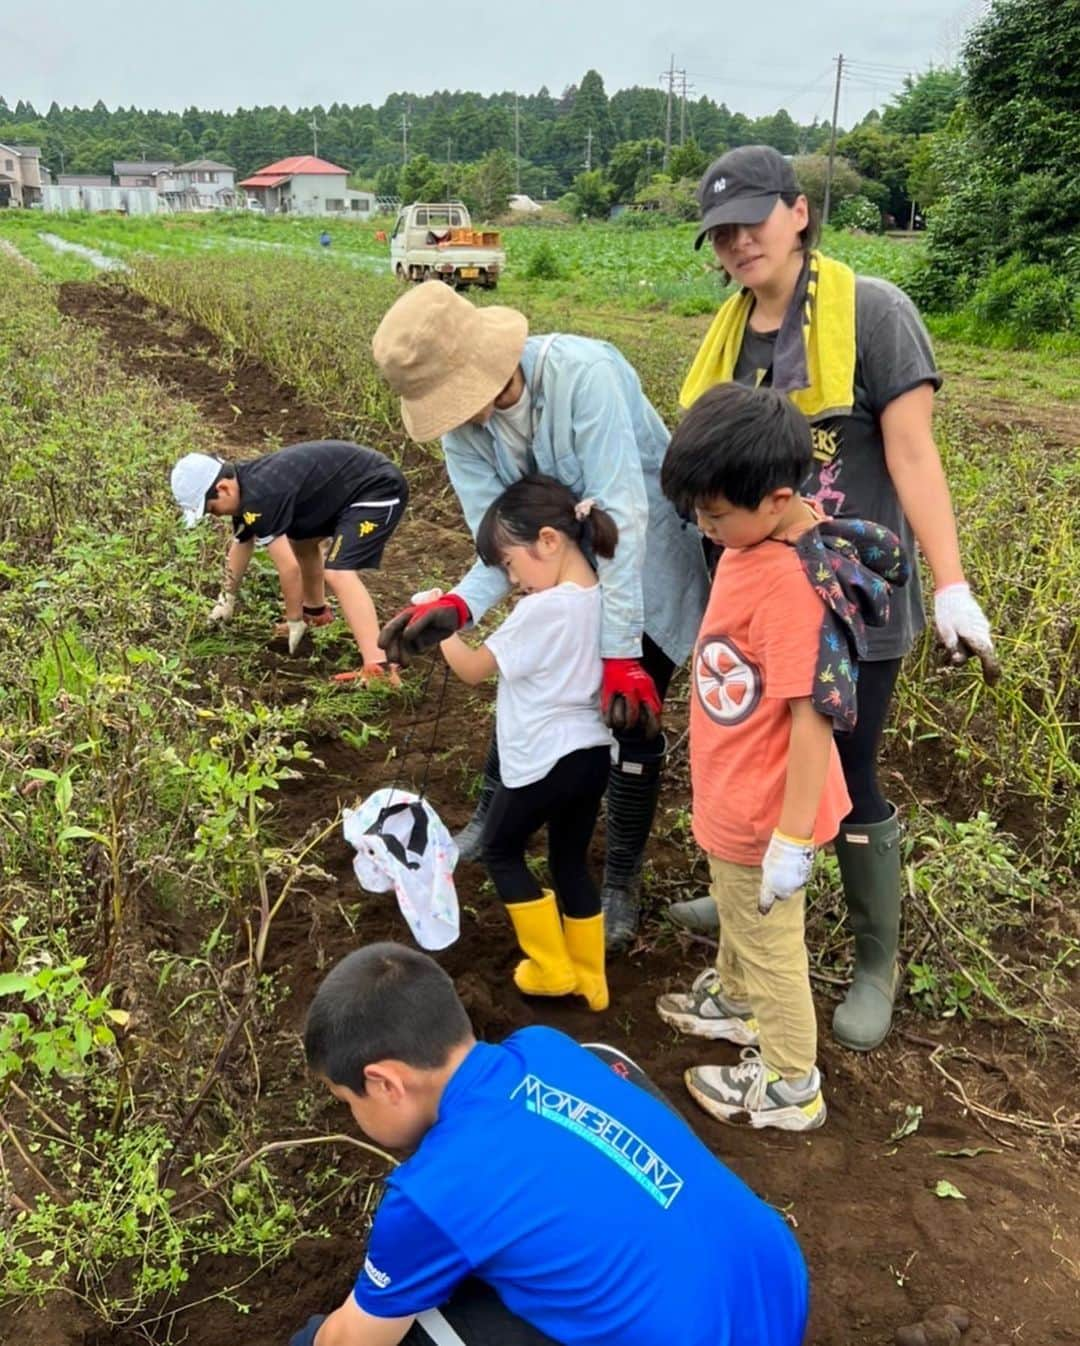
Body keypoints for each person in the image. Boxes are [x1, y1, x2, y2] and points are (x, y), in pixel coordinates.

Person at [669, 145, 998, 1052]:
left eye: (753, 222)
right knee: (758, 745)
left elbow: (911, 455)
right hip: (753, 594)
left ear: (800, 210)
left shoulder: (875, 312)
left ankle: (871, 962)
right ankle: (749, 883)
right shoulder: (730, 331)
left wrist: (954, 583)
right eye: (721, 234)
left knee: (847, 773)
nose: (738, 244)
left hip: (847, 604)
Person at [370, 281, 710, 954]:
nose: (459, 418)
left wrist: (619, 653)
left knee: (627, 721)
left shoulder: (584, 376)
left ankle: (619, 879)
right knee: (530, 691)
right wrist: (457, 605)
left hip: (641, 570)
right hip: (556, 579)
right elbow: (496, 544)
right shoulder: (460, 432)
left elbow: (624, 518)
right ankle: (497, 814)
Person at [290, 941, 809, 1346]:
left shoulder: (431, 1194)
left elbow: (348, 1340)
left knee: (415, 1327)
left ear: (385, 1082)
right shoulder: (549, 1046)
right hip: (777, 1295)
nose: (352, 1115)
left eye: (348, 1101)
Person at [654, 381, 907, 1131]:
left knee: (770, 945)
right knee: (739, 917)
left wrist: (793, 841)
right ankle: (734, 1002)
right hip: (733, 789)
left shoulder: (794, 589)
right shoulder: (755, 540)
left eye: (714, 513)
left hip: (765, 810)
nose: (704, 524)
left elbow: (813, 722)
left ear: (777, 498)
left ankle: (791, 1081)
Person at [438, 475, 616, 1012]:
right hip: (592, 756)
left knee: (501, 849)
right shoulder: (606, 596)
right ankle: (592, 979)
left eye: (512, 564)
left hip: (542, 759)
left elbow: (471, 670)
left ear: (549, 541)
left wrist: (439, 624)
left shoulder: (541, 610)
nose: (514, 581)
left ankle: (551, 967)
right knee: (569, 863)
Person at [170, 439, 407, 685]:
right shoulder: (245, 487)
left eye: (212, 509)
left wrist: (293, 619)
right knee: (301, 541)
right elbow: (241, 543)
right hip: (347, 490)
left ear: (224, 489)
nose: (215, 515)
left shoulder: (260, 498)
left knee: (338, 571)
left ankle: (378, 666)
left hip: (377, 489)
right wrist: (226, 599)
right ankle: (316, 614)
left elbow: (289, 568)